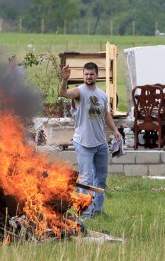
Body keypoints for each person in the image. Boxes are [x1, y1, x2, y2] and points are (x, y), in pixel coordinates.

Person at [59, 62, 121, 219]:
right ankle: (85, 213)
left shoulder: (102, 95)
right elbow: (64, 94)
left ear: (97, 75)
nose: (88, 76)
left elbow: (106, 114)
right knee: (86, 179)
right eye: (86, 74)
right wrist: (64, 79)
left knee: (100, 178)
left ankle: (98, 210)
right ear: (83, 75)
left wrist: (115, 130)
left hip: (101, 144)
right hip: (83, 143)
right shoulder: (79, 92)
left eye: (91, 74)